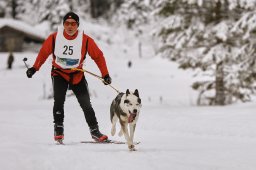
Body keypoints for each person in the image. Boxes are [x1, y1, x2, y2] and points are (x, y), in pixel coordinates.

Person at [26, 12, 112, 143]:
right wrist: (34, 68)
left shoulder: (86, 40)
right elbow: (43, 53)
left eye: (73, 24)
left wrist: (105, 74)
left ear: (77, 25)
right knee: (59, 101)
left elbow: (98, 56)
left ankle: (95, 131)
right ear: (63, 25)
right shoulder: (54, 38)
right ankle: (59, 130)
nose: (70, 26)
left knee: (86, 104)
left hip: (77, 75)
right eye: (67, 23)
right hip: (59, 73)